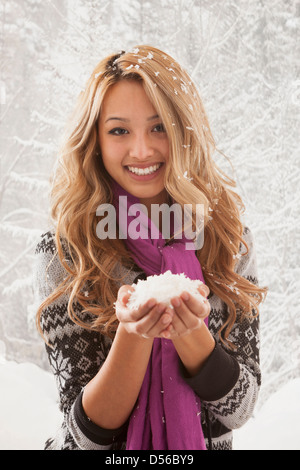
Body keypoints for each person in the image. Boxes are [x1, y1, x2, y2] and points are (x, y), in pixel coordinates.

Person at [34, 45, 267, 450]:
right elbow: (84, 438)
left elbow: (240, 409)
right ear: (95, 139)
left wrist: (192, 333)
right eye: (119, 130)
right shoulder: (66, 252)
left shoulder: (227, 240)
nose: (141, 150)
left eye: (159, 127)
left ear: (184, 131)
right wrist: (134, 332)